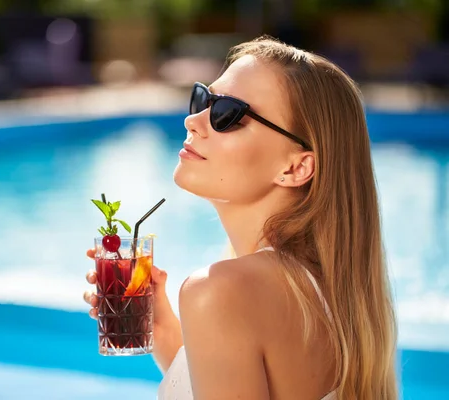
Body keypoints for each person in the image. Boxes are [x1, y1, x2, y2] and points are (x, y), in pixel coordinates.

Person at [84, 36, 398, 400]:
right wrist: (162, 325)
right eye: (203, 99)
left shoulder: (220, 290)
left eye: (228, 114)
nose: (192, 120)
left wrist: (208, 305)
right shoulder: (327, 290)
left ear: (296, 167)